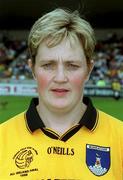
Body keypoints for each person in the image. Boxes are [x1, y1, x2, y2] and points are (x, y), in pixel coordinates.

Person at [0, 8, 123, 179]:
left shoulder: (120, 138)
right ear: (32, 69)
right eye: (48, 65)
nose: (60, 77)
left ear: (88, 70)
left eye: (72, 65)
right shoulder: (2, 139)